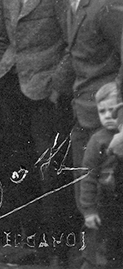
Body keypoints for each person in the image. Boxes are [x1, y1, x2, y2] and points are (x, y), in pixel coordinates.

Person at [0, 0, 73, 265]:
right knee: (16, 167)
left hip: (45, 93)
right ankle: (28, 240)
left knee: (49, 168)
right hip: (9, 87)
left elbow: (70, 43)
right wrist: (0, 69)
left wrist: (54, 84)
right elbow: (1, 39)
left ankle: (56, 248)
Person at [46, 0, 123, 211]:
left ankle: (97, 256)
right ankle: (87, 255)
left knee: (98, 200)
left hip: (103, 119)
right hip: (82, 111)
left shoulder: (107, 2)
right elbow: (75, 49)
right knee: (85, 196)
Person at [79, 82, 123, 269]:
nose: (108, 117)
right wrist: (89, 210)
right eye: (102, 112)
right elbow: (88, 176)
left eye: (112, 111)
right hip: (105, 203)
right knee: (102, 249)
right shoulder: (97, 140)